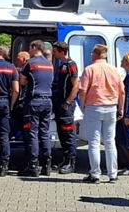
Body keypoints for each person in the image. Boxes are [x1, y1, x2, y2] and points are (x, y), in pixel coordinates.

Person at [77, 44, 124, 183]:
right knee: (110, 142)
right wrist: (121, 108)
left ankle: (95, 174)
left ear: (95, 54)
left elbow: (83, 91)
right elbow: (122, 91)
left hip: (94, 106)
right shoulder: (114, 70)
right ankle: (113, 174)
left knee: (94, 142)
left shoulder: (89, 69)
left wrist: (83, 106)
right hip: (111, 107)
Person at [19, 40, 54, 177]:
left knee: (32, 133)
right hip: (47, 102)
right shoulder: (49, 64)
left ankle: (33, 166)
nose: (29, 50)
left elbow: (22, 81)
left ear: (34, 48)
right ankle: (47, 165)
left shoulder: (30, 63)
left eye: (30, 48)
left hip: (33, 101)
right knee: (44, 133)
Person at [51, 42, 80, 174]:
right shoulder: (61, 65)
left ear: (62, 52)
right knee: (61, 133)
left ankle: (71, 162)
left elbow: (75, 85)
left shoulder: (70, 64)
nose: (53, 53)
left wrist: (68, 102)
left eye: (55, 51)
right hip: (59, 103)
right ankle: (65, 159)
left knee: (68, 133)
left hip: (66, 105)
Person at [0, 45, 19, 177]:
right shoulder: (12, 68)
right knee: (4, 136)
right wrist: (11, 104)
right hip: (4, 103)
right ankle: (4, 166)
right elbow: (16, 90)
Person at [11, 50, 29, 143]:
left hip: (22, 102)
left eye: (18, 59)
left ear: (24, 60)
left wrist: (12, 104)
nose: (16, 61)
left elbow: (16, 89)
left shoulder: (20, 71)